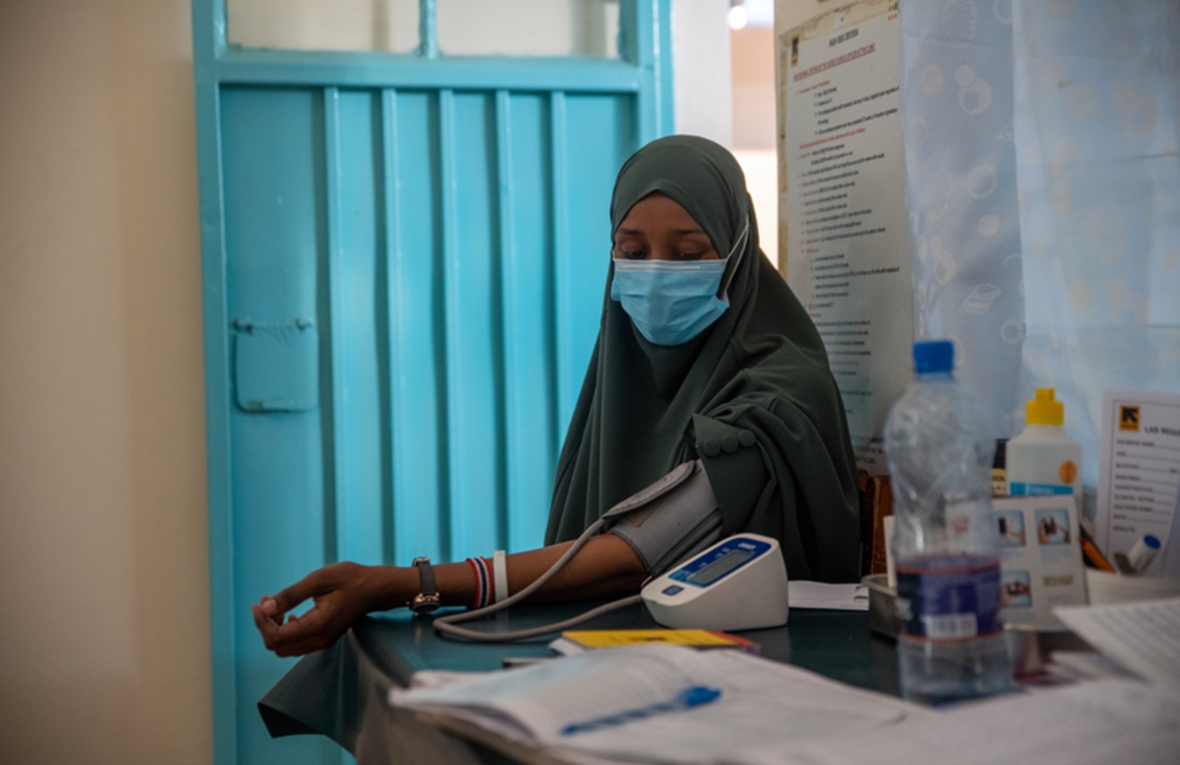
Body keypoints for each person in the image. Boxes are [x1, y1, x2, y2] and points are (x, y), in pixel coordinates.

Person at [253, 135, 859, 658]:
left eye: (689, 253)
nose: (655, 272)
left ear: (737, 254)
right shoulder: (622, 378)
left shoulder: (781, 391)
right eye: (632, 250)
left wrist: (408, 584)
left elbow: (640, 548)